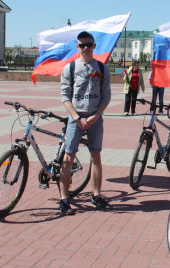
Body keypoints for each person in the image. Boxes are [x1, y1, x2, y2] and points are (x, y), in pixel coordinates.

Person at [59, 31, 112, 215]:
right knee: (68, 158)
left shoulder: (102, 68)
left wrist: (96, 116)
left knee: (95, 157)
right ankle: (64, 199)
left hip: (95, 119)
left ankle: (96, 196)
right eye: (82, 45)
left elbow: (106, 96)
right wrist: (76, 118)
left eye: (89, 44)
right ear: (77, 47)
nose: (86, 48)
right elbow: (65, 97)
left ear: (94, 46)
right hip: (76, 118)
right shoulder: (70, 69)